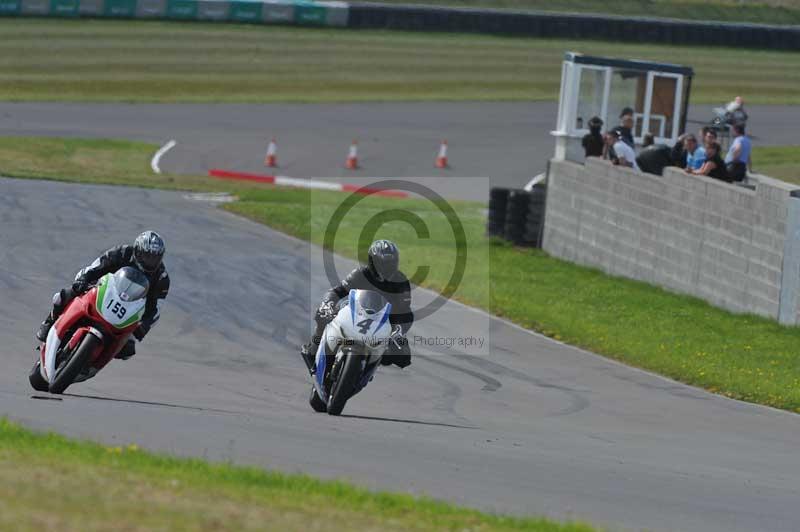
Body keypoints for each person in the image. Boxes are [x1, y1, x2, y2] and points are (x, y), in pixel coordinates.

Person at [36, 231, 170, 360]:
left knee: (128, 348)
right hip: (103, 288)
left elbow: (156, 310)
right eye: (147, 256)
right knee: (64, 295)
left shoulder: (161, 278)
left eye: (154, 258)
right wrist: (83, 279)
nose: (150, 261)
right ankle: (49, 322)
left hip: (129, 309)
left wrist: (143, 328)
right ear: (138, 250)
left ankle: (96, 361)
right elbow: (97, 265)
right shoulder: (122, 252)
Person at [301, 239, 413, 370]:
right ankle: (314, 349)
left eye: (391, 263)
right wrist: (327, 305)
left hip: (382, 322)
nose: (388, 267)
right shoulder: (360, 273)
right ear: (373, 262)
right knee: (323, 316)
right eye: (384, 263)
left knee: (403, 356)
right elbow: (337, 291)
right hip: (355, 313)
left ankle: (369, 366)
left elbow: (404, 312)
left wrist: (398, 331)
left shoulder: (401, 281)